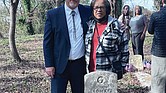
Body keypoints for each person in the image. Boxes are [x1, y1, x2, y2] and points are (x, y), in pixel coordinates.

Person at [43, 0, 91, 92]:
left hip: (80, 64)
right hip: (59, 65)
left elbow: (103, 17)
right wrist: (49, 64)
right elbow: (47, 42)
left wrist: (117, 24)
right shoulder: (53, 15)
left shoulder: (87, 11)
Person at [85, 0, 129, 79]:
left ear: (107, 9)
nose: (99, 10)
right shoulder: (89, 25)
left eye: (102, 7)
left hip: (109, 73)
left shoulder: (116, 26)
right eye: (96, 7)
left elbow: (124, 48)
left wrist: (122, 67)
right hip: (90, 73)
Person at [148, 0, 166, 92]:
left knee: (158, 80)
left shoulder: (155, 15)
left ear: (162, 1)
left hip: (159, 51)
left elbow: (150, 30)